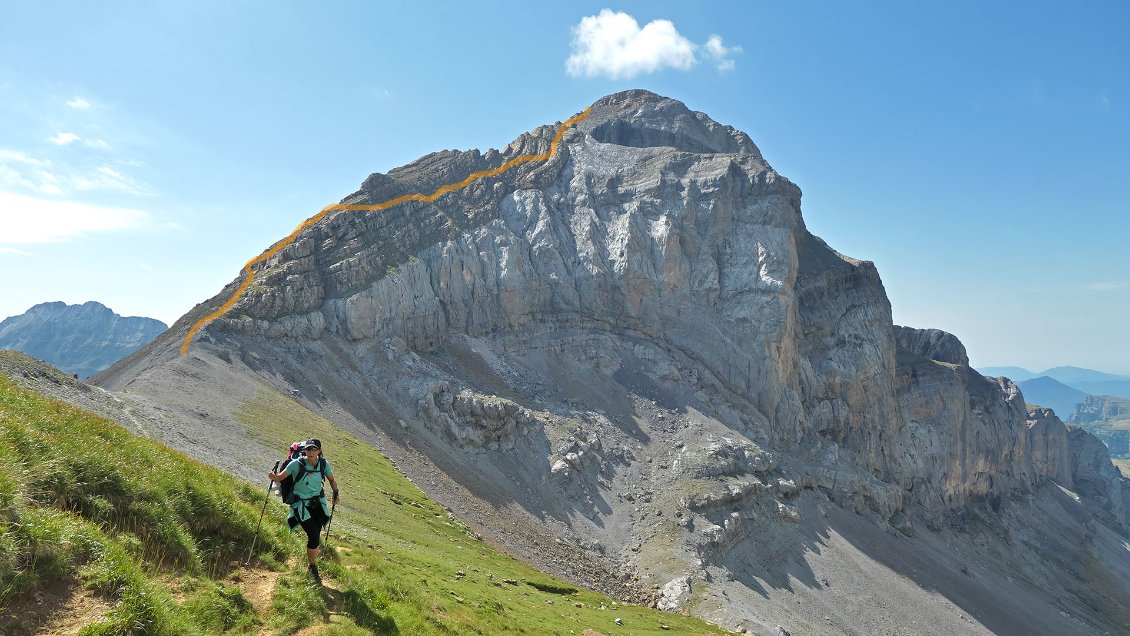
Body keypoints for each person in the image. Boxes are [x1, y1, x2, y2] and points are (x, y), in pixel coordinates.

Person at [268, 438, 339, 584]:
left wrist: (336, 492)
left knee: (316, 535)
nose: (311, 452)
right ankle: (312, 567)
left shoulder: (324, 464)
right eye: (308, 449)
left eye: (314, 449)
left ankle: (311, 564)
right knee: (313, 535)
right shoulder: (296, 464)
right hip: (300, 505)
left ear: (319, 451)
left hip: (317, 504)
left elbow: (331, 480)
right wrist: (273, 476)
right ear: (304, 450)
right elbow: (280, 477)